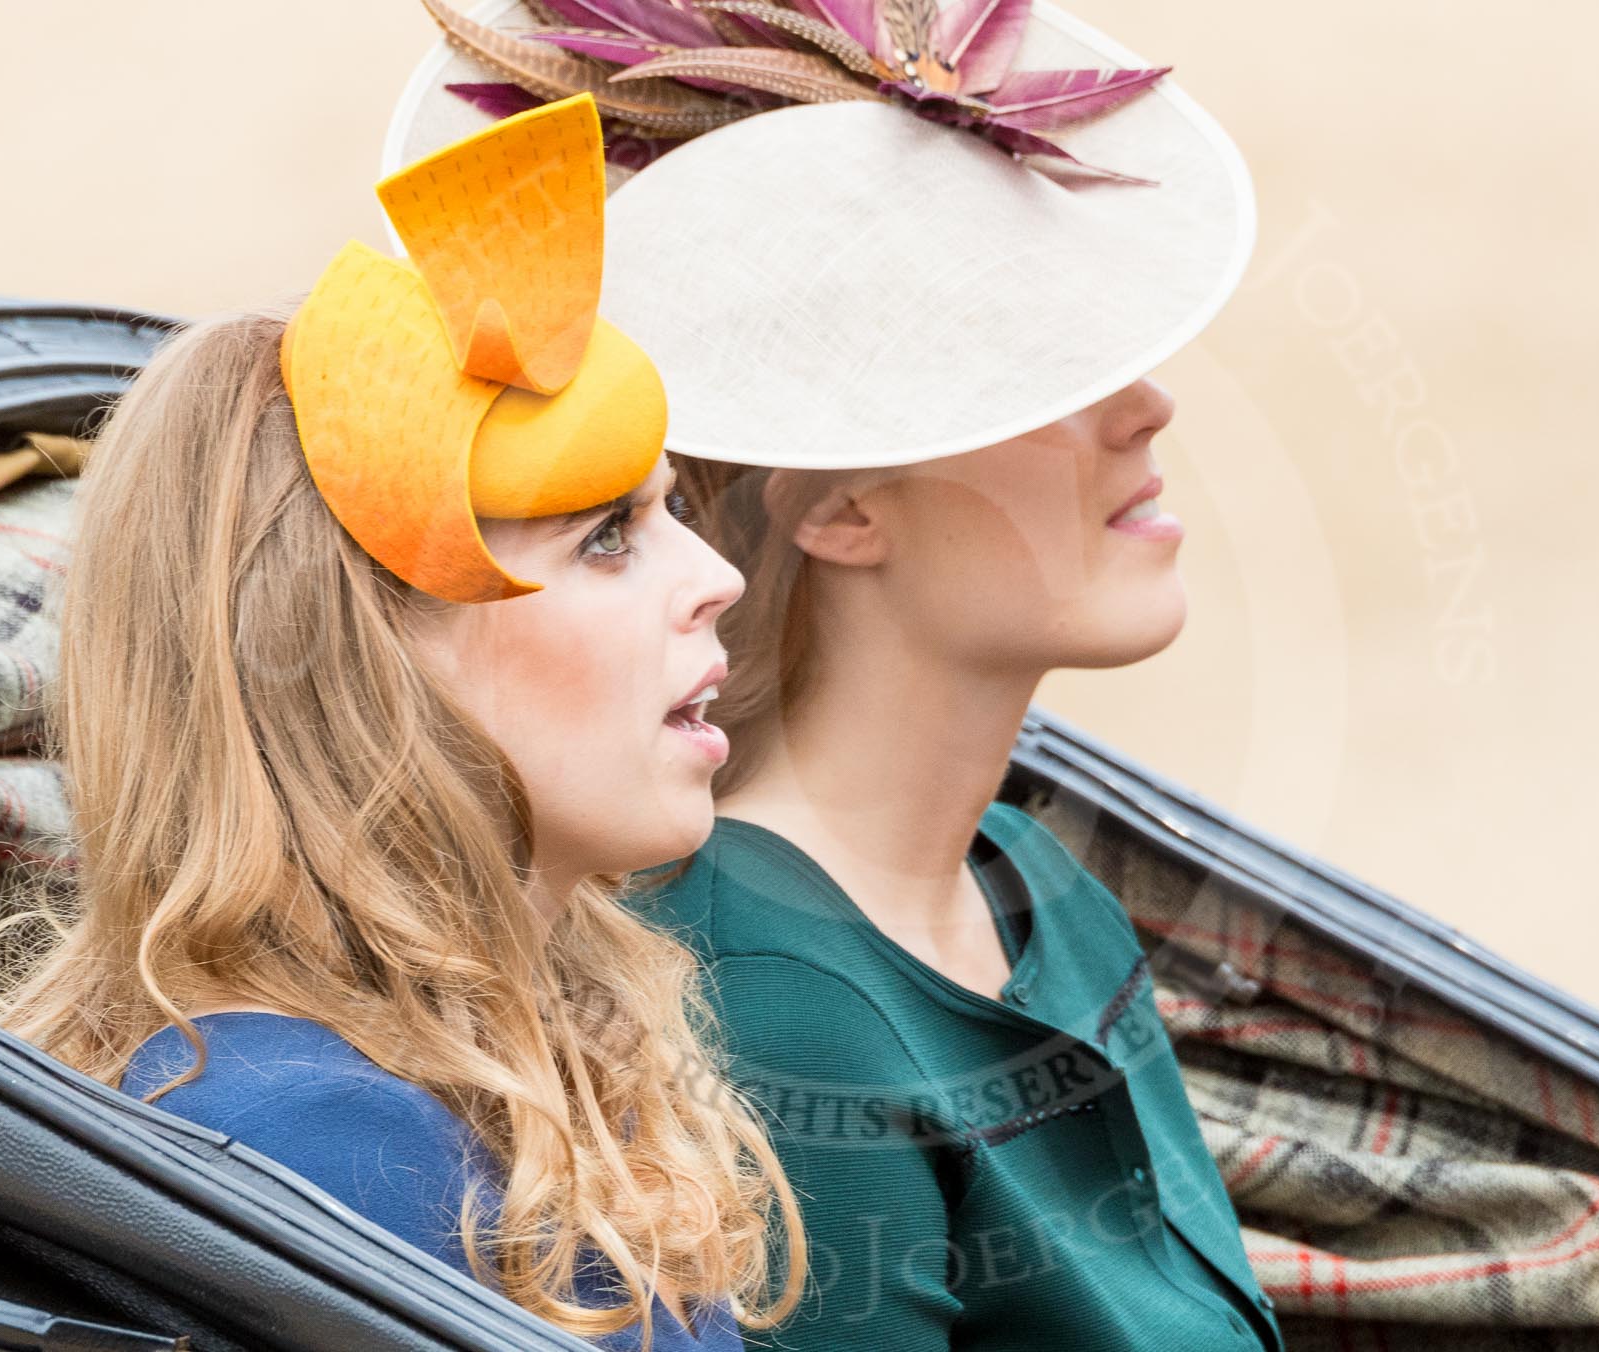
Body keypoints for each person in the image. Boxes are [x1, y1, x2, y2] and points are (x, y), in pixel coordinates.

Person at [386, 3, 1283, 1348]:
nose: (1143, 406)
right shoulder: (765, 1000)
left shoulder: (1038, 895)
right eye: (1035, 371)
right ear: (842, 510)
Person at [0, 94, 801, 1351]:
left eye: (671, 508)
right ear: (359, 663)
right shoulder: (307, 1143)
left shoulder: (506, 1072)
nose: (717, 574)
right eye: (609, 536)